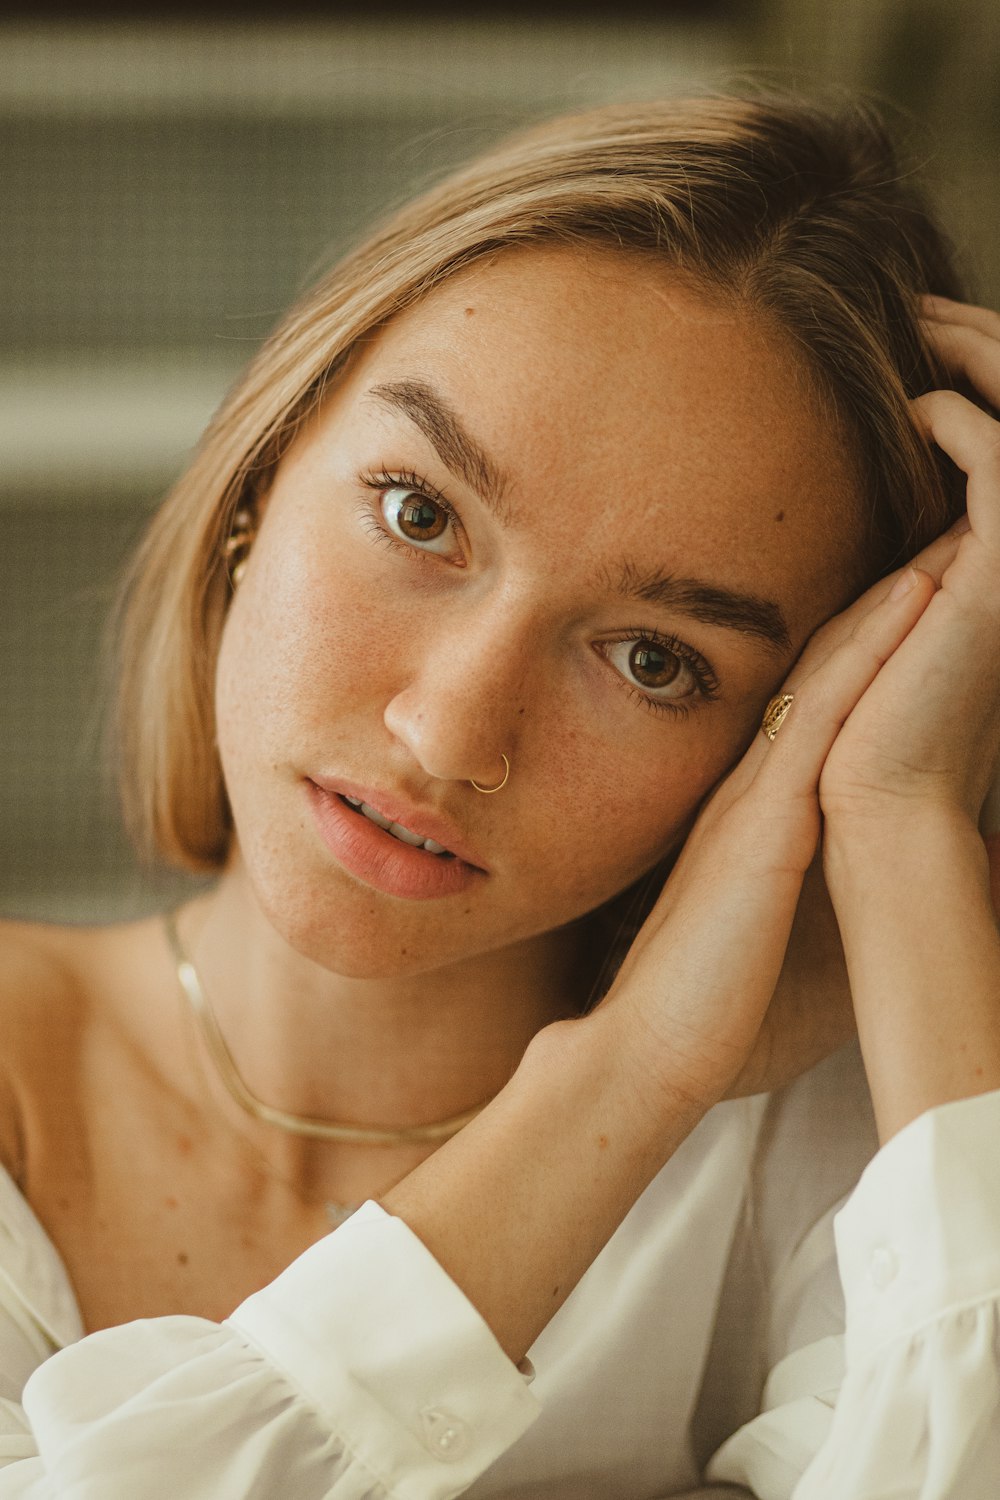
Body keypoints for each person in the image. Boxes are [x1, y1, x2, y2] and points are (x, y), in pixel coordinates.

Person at [0, 88, 998, 1499]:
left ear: (799, 716)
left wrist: (902, 820)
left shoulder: (865, 1159)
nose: (450, 729)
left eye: (654, 659)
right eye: (421, 516)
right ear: (261, 480)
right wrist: (628, 1077)